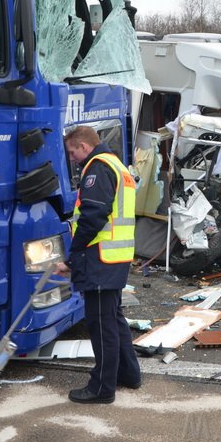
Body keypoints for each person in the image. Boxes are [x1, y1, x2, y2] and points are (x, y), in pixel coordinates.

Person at [56, 126, 141, 404]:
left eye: (71, 152)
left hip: (101, 258)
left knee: (101, 324)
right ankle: (129, 374)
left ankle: (102, 388)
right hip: (116, 256)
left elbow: (93, 215)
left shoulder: (97, 168)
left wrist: (74, 254)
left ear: (82, 146)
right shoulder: (117, 164)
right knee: (114, 319)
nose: (72, 159)